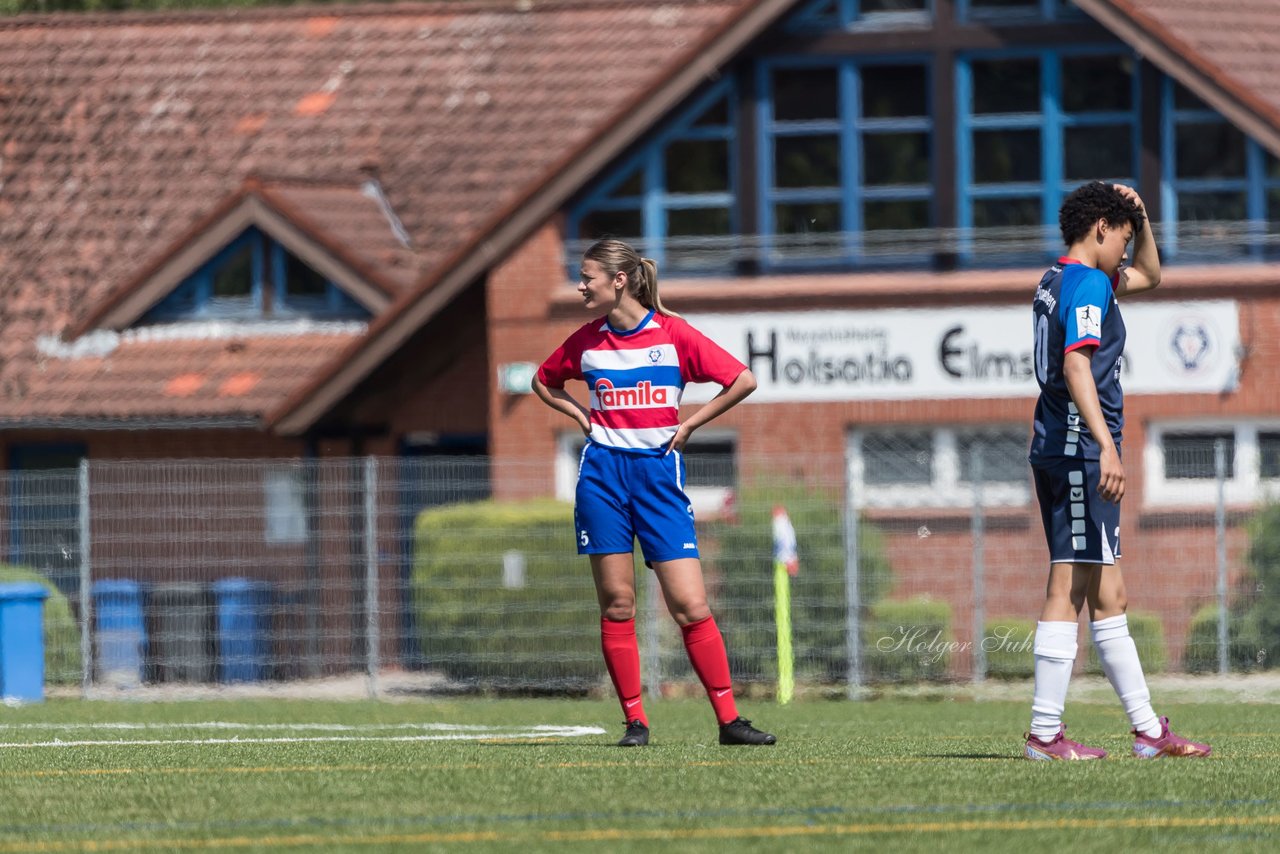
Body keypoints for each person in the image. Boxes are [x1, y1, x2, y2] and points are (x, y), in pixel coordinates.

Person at [531, 238, 775, 748]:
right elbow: (542, 381)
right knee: (618, 604)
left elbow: (742, 380)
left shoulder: (674, 334)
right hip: (602, 479)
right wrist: (580, 415)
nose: (580, 285)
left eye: (588, 277)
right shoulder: (586, 342)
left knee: (690, 605)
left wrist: (689, 426)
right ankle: (636, 723)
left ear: (618, 280)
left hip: (659, 480)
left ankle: (730, 721)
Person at [1025, 182, 1211, 760]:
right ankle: (1045, 734)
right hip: (1081, 449)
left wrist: (1143, 216)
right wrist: (1107, 447)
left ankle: (1148, 731)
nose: (1129, 253)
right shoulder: (1085, 283)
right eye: (1125, 238)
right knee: (1070, 585)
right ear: (1100, 227)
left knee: (1110, 594)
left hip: (1063, 446)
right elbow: (1077, 364)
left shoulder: (1061, 279)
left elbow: (1152, 276)